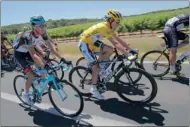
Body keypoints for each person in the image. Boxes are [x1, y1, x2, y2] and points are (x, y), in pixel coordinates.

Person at [78, 9, 138, 100]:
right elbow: (116, 43)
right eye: (117, 22)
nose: (118, 24)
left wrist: (130, 50)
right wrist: (128, 55)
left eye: (119, 22)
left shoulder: (110, 28)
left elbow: (119, 40)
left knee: (110, 50)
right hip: (85, 44)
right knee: (96, 67)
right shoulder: (104, 27)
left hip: (93, 43)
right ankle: (93, 89)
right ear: (110, 20)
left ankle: (100, 71)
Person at [13, 15, 71, 105]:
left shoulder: (43, 33)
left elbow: (52, 49)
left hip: (29, 49)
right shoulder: (27, 36)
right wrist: (46, 66)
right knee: (31, 75)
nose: (43, 27)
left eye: (44, 25)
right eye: (40, 26)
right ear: (33, 27)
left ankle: (43, 82)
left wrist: (63, 59)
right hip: (20, 54)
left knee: (43, 61)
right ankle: (26, 94)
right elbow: (33, 55)